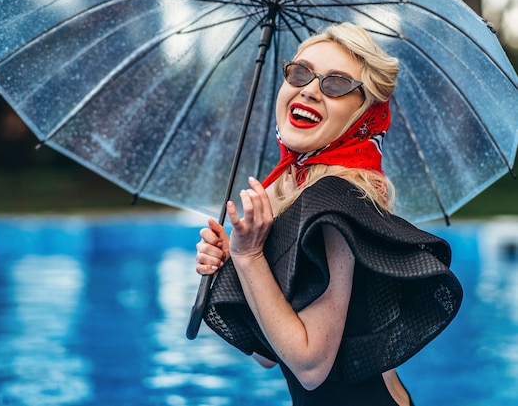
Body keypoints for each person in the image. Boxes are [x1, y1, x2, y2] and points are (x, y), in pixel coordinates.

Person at [195, 23, 462, 406]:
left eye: (335, 84)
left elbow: (310, 365)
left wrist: (248, 257)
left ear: (363, 114)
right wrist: (231, 267)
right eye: (301, 73)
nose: (309, 89)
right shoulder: (289, 191)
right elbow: (268, 354)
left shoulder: (337, 200)